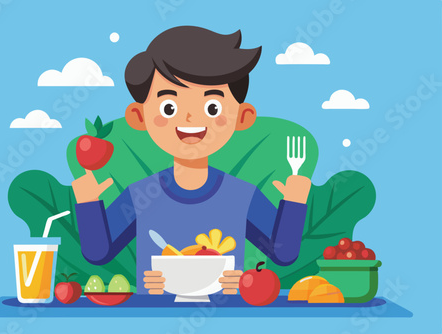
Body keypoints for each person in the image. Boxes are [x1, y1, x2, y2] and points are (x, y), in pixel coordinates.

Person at [72, 26, 311, 294]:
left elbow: (283, 253)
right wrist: (88, 203)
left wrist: (295, 201)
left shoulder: (242, 196)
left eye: (212, 108)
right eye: (169, 108)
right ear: (139, 117)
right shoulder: (140, 195)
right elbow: (98, 253)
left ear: (242, 117)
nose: (189, 120)